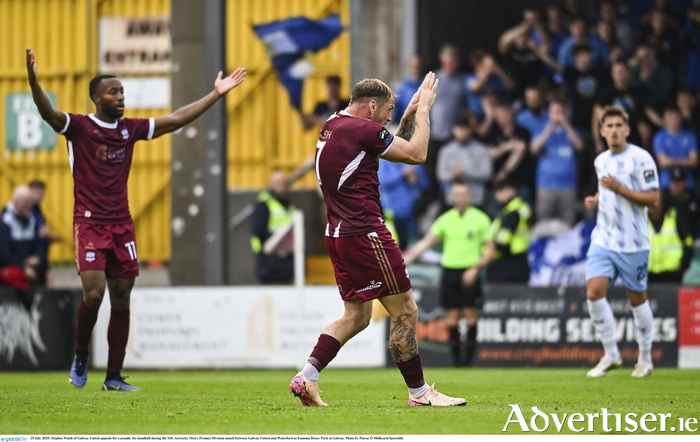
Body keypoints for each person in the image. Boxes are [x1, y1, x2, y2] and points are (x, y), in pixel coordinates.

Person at [26, 48, 246, 391]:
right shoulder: (79, 127)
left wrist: (215, 94)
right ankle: (81, 353)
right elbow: (48, 113)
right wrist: (34, 83)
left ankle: (113, 376)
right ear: (96, 97)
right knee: (95, 294)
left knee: (123, 297)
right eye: (113, 92)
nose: (120, 97)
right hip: (89, 223)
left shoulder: (131, 129)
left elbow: (175, 119)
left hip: (121, 224)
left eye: (122, 92)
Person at [289, 73, 466, 407]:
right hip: (365, 233)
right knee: (406, 312)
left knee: (356, 316)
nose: (388, 117)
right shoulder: (365, 129)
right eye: (388, 110)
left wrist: (409, 114)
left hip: (338, 233)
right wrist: (426, 110)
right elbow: (415, 154)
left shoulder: (334, 124)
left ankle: (307, 376)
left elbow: (384, 145)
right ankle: (420, 393)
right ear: (371, 106)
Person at [584, 105, 660, 378]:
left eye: (619, 126)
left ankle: (645, 358)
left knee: (637, 299)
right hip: (604, 237)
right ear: (602, 131)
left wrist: (619, 189)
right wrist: (597, 199)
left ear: (627, 130)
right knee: (593, 292)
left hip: (633, 242)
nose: (614, 130)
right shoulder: (600, 160)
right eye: (609, 126)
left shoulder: (641, 159)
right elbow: (604, 190)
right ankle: (611, 354)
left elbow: (653, 199)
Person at [404, 182, 494, 367]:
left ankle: (468, 362)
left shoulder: (480, 218)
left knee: (470, 316)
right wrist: (405, 261)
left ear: (469, 196)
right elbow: (425, 243)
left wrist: (475, 268)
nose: (460, 198)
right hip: (450, 271)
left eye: (463, 194)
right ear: (451, 197)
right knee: (452, 317)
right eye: (457, 194)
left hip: (470, 270)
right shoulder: (446, 219)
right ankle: (457, 364)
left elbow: (490, 250)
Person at [531, 100, 584, 226]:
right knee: (543, 222)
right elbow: (534, 149)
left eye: (560, 112)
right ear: (549, 113)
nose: (557, 115)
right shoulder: (541, 129)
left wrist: (565, 125)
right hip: (546, 184)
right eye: (554, 112)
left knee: (567, 223)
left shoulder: (573, 130)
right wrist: (550, 127)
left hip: (568, 185)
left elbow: (580, 146)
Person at [648, 167, 698, 282]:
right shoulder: (641, 222)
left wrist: (682, 268)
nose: (652, 204)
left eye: (655, 199)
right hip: (648, 277)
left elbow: (688, 243)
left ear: (661, 199)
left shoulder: (674, 216)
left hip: (673, 276)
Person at [436, 117, 492, 209]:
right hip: (452, 200)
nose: (461, 132)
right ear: (453, 130)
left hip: (476, 199)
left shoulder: (481, 149)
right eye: (458, 128)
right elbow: (441, 175)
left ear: (470, 130)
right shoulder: (446, 150)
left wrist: (466, 173)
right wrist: (454, 174)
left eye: (464, 128)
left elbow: (487, 173)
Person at [0, 186, 41, 310]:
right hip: (11, 266)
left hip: (28, 266)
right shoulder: (5, 222)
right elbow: (3, 252)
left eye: (30, 202)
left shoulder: (32, 219)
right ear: (16, 203)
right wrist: (23, 266)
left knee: (43, 274)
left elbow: (38, 243)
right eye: (26, 202)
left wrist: (37, 257)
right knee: (18, 277)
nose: (29, 206)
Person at [250, 171, 295, 284]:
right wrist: (277, 240)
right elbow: (258, 229)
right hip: (269, 260)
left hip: (286, 261)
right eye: (277, 183)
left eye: (283, 183)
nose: (281, 186)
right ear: (270, 184)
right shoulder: (264, 204)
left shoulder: (288, 205)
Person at [378, 160, 430, 250]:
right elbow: (382, 181)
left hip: (412, 210)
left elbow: (425, 184)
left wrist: (416, 179)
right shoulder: (384, 160)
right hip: (390, 211)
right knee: (391, 245)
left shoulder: (414, 160)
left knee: (412, 243)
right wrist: (402, 173)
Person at [487, 181, 532, 283]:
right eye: (497, 191)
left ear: (512, 191)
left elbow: (503, 243)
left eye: (502, 190)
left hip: (509, 263)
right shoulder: (520, 207)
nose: (498, 195)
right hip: (520, 260)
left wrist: (488, 246)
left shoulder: (511, 213)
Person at [653, 106, 698, 191]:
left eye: (676, 117)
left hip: (688, 184)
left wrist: (671, 161)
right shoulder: (659, 137)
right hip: (666, 185)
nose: (674, 119)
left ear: (681, 118)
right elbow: (663, 162)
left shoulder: (690, 136)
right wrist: (686, 160)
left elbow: (694, 161)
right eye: (670, 117)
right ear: (665, 119)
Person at [28, 180, 57, 286]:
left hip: (42, 256)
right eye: (38, 192)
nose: (41, 196)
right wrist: (39, 233)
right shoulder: (27, 211)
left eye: (42, 193)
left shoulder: (39, 211)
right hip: (32, 257)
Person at [392, 55, 423, 123]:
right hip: (405, 125)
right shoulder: (402, 88)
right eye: (412, 67)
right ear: (408, 68)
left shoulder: (424, 86)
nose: (415, 70)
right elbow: (397, 110)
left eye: (417, 67)